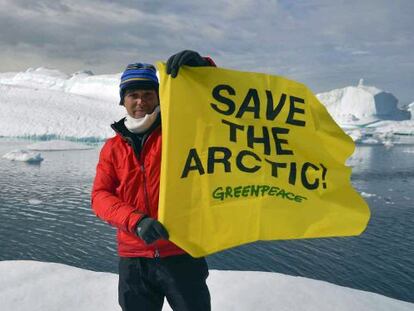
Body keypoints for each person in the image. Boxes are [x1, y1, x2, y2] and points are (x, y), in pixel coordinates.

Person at [91, 50, 216, 311]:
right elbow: (100, 197)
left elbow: (212, 110)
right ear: (123, 101)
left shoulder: (179, 132)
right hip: (134, 260)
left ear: (158, 97)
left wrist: (202, 72)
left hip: (181, 253)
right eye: (133, 95)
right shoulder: (113, 149)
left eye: (148, 94)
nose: (140, 101)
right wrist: (136, 221)